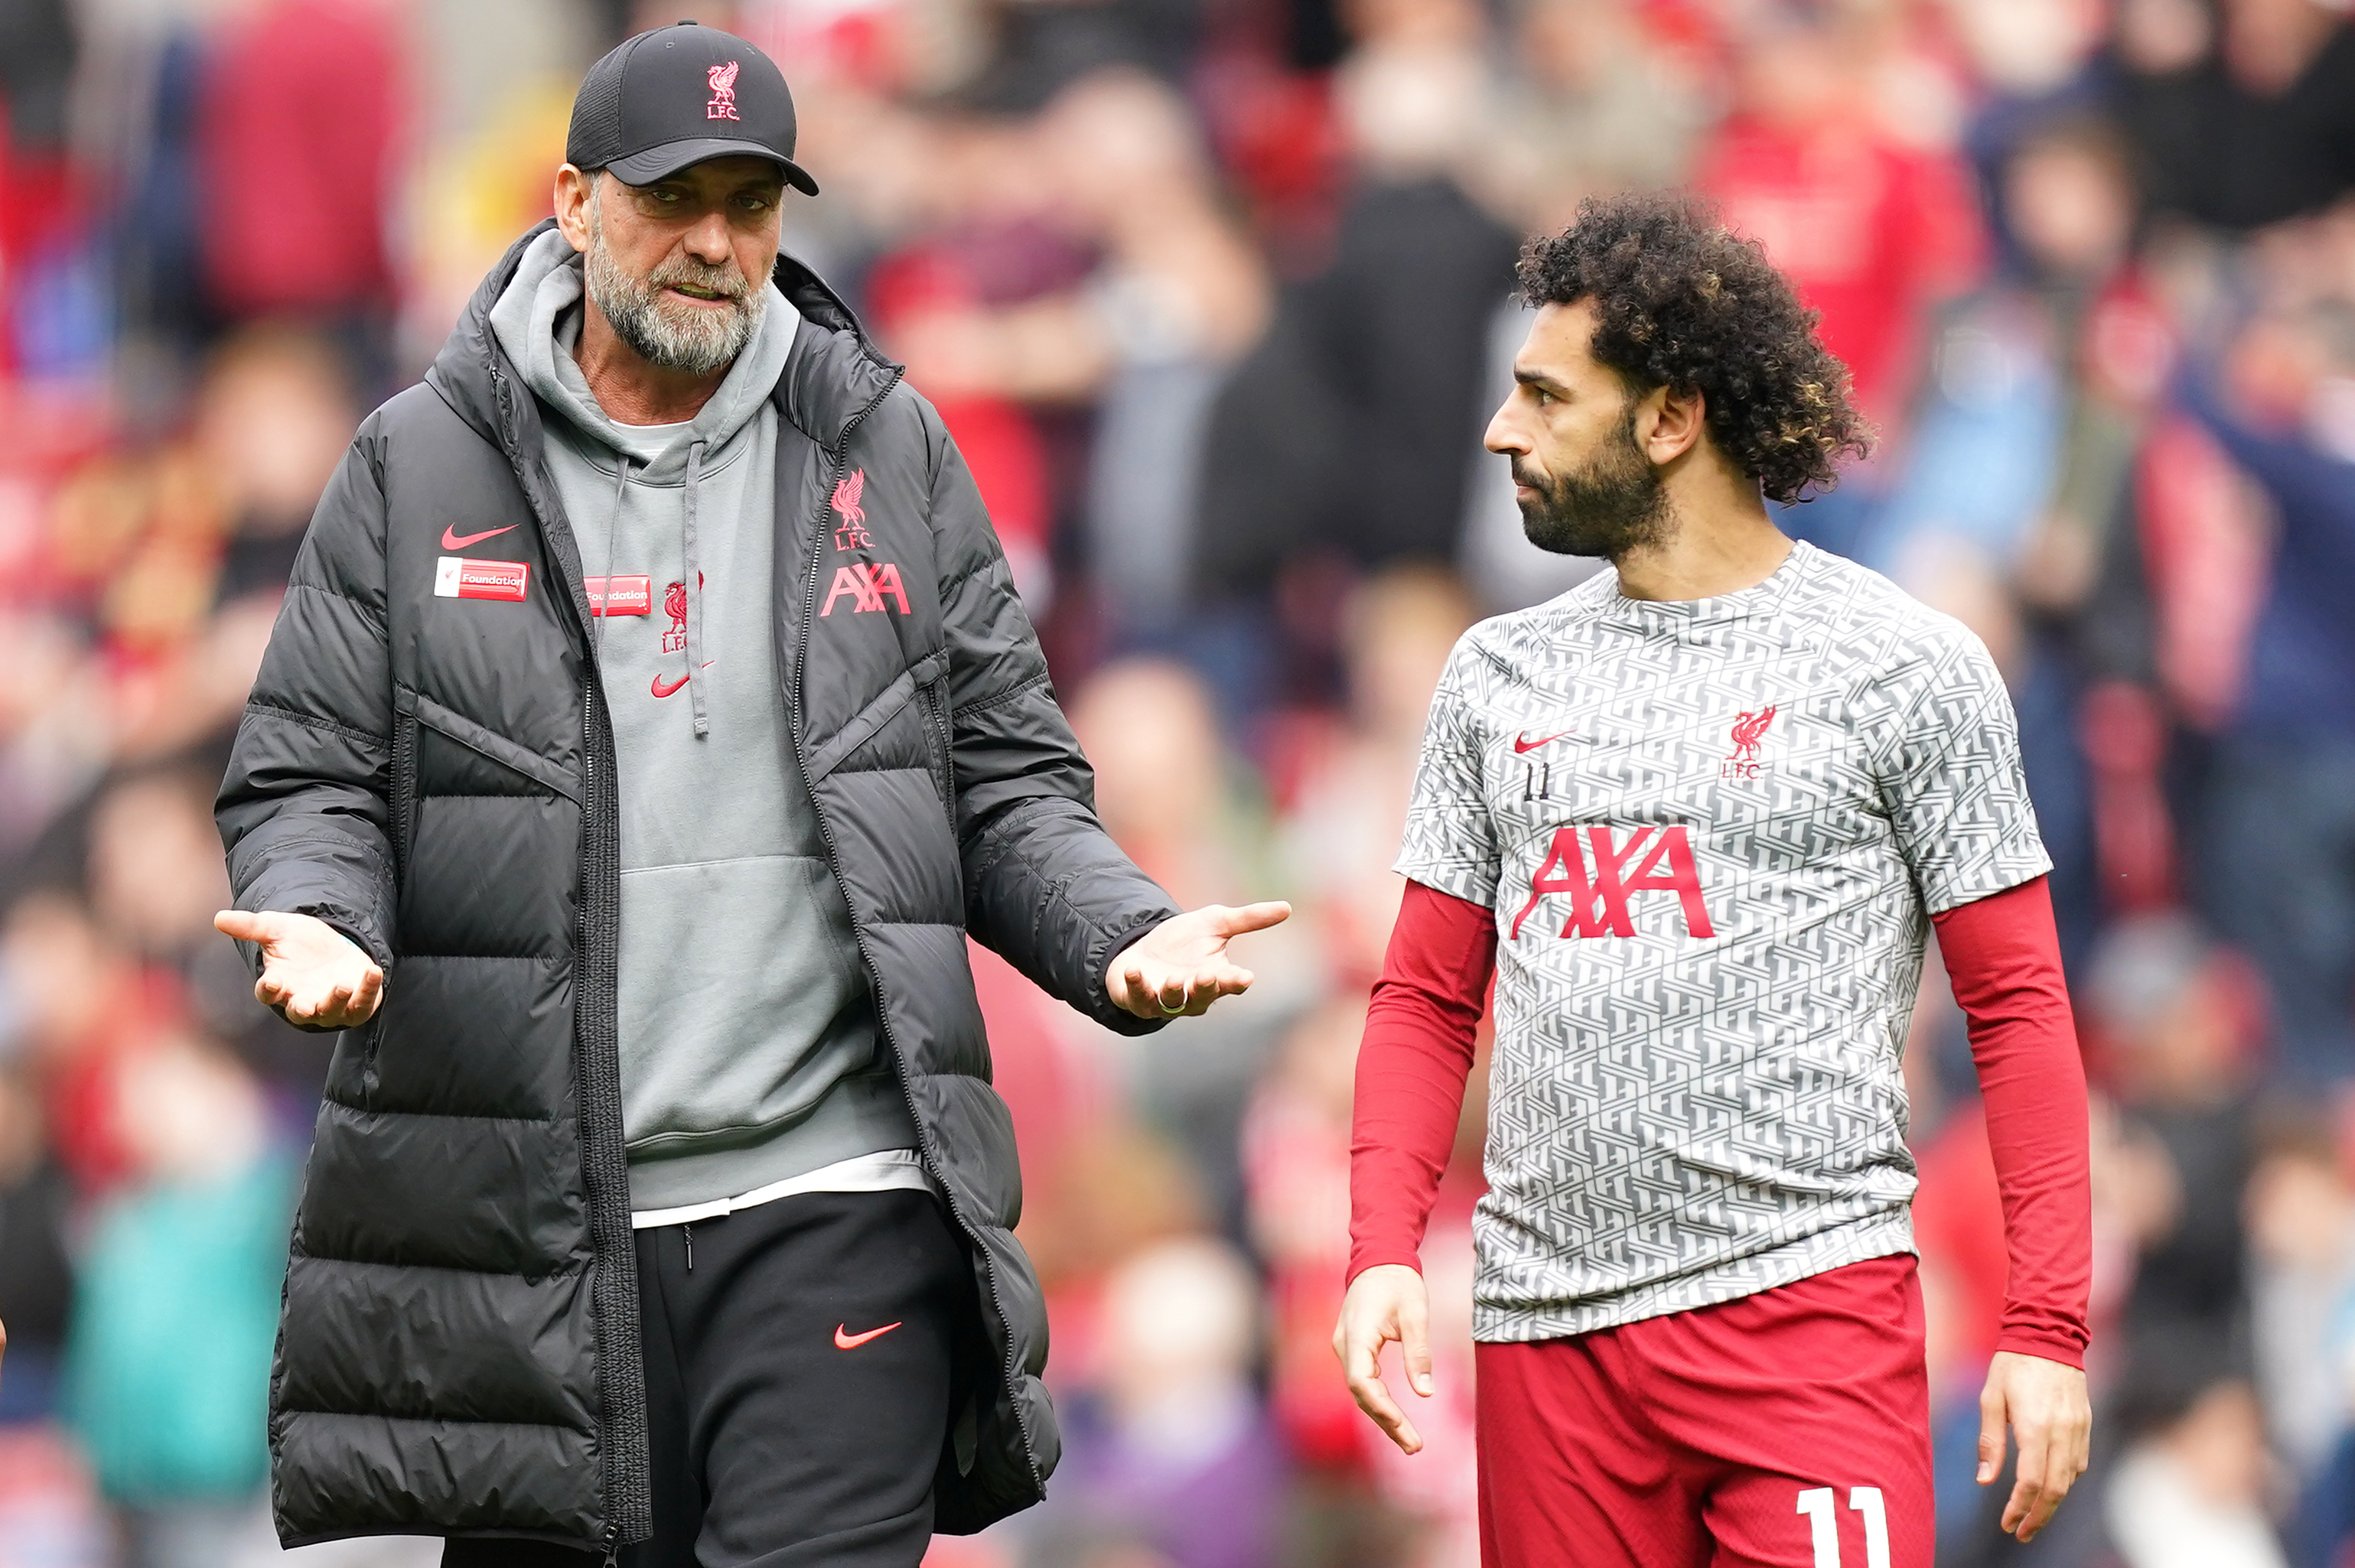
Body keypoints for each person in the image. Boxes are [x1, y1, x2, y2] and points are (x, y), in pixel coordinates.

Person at [209, 24, 1285, 1567]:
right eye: (675, 198)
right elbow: (313, 768)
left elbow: (1002, 774)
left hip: (836, 1195)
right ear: (573, 204)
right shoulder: (416, 464)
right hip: (541, 1231)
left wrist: (1116, 930)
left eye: (753, 202)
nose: (719, 243)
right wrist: (320, 913)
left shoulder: (885, 445)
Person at [1331, 193, 2093, 1568]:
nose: (1502, 431)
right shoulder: (1492, 680)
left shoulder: (1901, 668)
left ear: (1671, 418)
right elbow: (1425, 997)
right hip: (1547, 1345)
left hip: (1805, 1327)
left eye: (1545, 398)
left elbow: (2020, 1006)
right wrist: (1383, 1245)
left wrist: (2043, 1328)